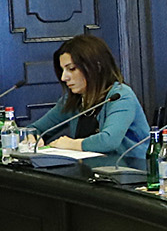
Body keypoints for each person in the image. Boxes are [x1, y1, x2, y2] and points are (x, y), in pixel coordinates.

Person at [30, 34, 149, 164]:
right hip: (88, 170)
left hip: (128, 170)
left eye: (71, 69)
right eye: (62, 70)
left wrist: (71, 144)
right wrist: (32, 137)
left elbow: (109, 141)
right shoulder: (73, 99)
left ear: (96, 66)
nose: (64, 77)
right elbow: (36, 128)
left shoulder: (120, 96)